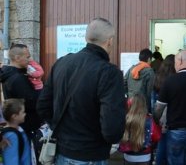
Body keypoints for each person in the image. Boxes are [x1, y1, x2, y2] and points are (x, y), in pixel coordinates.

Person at [37, 17, 126, 165]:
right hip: (91, 154)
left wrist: (61, 130)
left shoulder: (62, 63)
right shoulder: (109, 72)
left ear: (86, 37)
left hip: (62, 151)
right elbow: (112, 129)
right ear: (110, 40)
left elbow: (43, 106)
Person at [0, 44, 42, 137]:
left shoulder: (14, 74)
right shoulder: (17, 78)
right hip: (25, 128)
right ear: (17, 58)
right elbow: (31, 102)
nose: (30, 59)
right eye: (27, 57)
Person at [118, 93, 161, 165]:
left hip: (128, 156)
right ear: (144, 106)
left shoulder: (125, 119)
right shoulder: (149, 120)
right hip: (145, 156)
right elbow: (157, 137)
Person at [151, 54, 176, 165]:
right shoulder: (175, 78)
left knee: (162, 142)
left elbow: (153, 98)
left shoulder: (157, 76)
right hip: (172, 116)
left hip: (159, 114)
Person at [2, 98, 32, 165]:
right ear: (14, 116)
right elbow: (11, 160)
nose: (25, 114)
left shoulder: (19, 130)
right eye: (23, 112)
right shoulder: (10, 136)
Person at [124, 49, 155, 113]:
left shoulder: (131, 68)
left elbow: (124, 82)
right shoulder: (150, 71)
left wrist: (129, 94)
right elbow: (149, 92)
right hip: (142, 104)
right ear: (149, 59)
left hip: (131, 102)